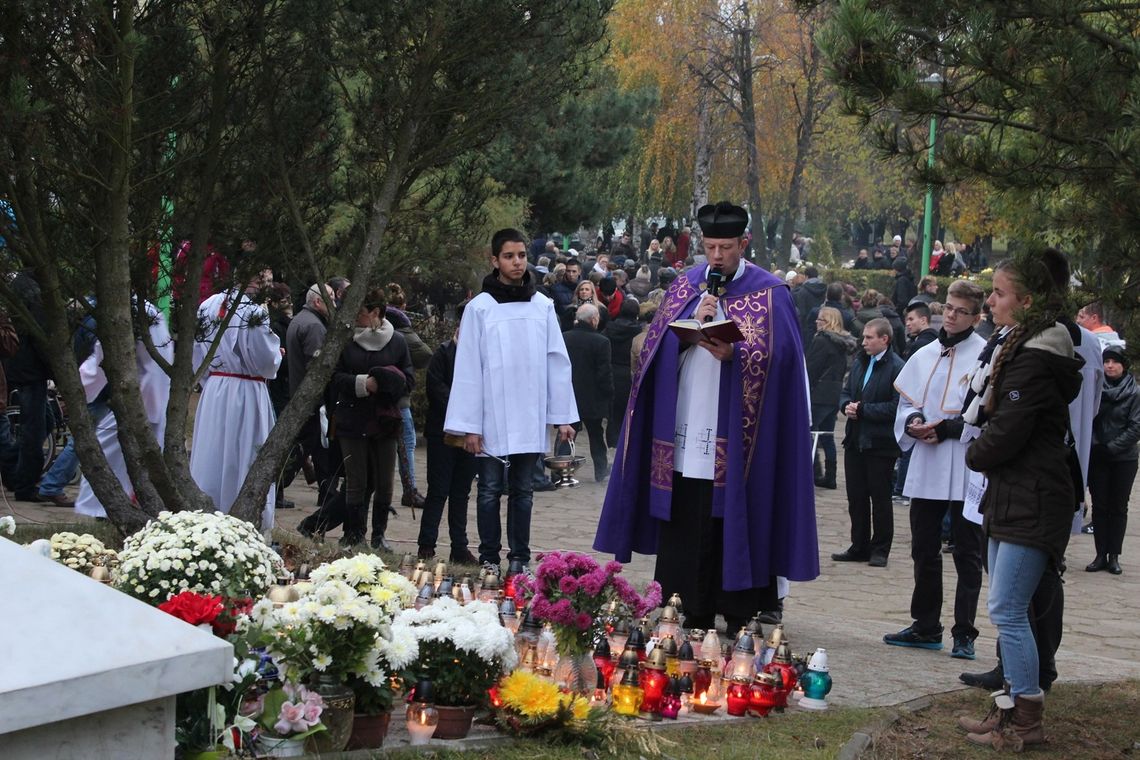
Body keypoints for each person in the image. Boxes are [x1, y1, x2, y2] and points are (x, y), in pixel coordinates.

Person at [594, 200, 819, 633]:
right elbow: (649, 350)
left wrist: (738, 354)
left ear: (744, 244)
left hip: (739, 432)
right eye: (711, 246)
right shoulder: (686, 287)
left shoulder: (771, 293)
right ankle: (684, 604)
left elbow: (786, 361)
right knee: (686, 516)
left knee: (730, 514)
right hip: (686, 423)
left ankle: (737, 609)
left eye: (726, 247)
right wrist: (685, 333)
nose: (716, 256)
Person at [958, 250, 1083, 750]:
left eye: (1000, 293)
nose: (990, 301)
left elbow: (1006, 433)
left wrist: (975, 451)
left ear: (1026, 301)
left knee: (1008, 609)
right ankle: (1009, 710)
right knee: (1010, 609)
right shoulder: (1017, 346)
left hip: (1034, 496)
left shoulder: (1034, 359)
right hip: (1013, 494)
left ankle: (1026, 723)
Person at [445, 228, 577, 572]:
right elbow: (468, 369)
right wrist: (468, 426)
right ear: (495, 261)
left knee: (523, 490)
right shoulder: (479, 309)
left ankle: (519, 558)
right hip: (490, 417)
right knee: (489, 490)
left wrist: (562, 417)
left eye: (521, 255)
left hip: (529, 415)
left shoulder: (542, 305)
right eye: (509, 256)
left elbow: (556, 361)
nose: (517, 262)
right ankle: (489, 557)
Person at [884, 280, 988, 657]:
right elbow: (906, 404)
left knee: (967, 552)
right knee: (923, 547)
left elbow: (987, 416)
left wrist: (947, 428)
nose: (952, 314)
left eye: (961, 310)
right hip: (927, 461)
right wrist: (913, 421)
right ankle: (926, 624)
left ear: (977, 316)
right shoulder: (925, 352)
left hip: (964, 462)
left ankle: (965, 632)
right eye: (948, 307)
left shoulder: (984, 355)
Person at [191, 269, 282, 530]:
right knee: (243, 454)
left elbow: (197, 352)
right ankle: (243, 519)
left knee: (213, 452)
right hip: (246, 392)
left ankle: (203, 516)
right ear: (256, 280)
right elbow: (265, 361)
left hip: (214, 388)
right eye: (267, 280)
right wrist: (278, 356)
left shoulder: (207, 305)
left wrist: (209, 379)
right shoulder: (253, 312)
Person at [328, 288, 413, 549]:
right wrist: (364, 384)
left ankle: (379, 535)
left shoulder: (397, 341)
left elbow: (409, 380)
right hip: (352, 418)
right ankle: (354, 534)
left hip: (385, 420)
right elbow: (334, 377)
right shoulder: (345, 339)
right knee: (356, 480)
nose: (354, 316)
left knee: (385, 482)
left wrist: (389, 383)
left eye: (360, 312)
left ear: (375, 313)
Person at [74, 301, 174, 518]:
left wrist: (79, 387)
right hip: (151, 390)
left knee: (109, 448)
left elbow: (104, 354)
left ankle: (98, 508)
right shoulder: (148, 310)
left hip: (139, 393)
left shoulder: (127, 309)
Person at [832, 318, 905, 567]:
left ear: (885, 339)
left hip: (880, 443)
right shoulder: (861, 362)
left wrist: (864, 410)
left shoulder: (897, 366)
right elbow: (845, 391)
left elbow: (897, 407)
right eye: (864, 337)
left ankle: (880, 548)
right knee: (856, 496)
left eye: (869, 337)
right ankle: (859, 545)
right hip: (855, 440)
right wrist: (846, 406)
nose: (864, 342)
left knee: (880, 498)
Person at [417, 304, 479, 563]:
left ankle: (459, 546)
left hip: (471, 434)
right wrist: (459, 410)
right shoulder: (444, 353)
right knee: (438, 489)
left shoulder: (479, 356)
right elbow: (436, 388)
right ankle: (427, 544)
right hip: (442, 431)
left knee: (461, 492)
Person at [1086, 345, 1140, 575]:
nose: (1110, 366)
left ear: (1123, 365)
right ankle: (1100, 554)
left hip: (1124, 458)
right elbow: (1089, 418)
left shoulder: (1135, 392)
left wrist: (1113, 447)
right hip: (1099, 456)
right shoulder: (1096, 388)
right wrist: (1098, 445)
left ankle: (1114, 555)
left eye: (1115, 361)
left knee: (1118, 506)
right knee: (1100, 506)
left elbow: (1136, 426)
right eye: (1106, 361)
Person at [288, 283, 338, 510]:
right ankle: (278, 484)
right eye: (330, 298)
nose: (334, 303)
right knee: (311, 447)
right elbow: (318, 368)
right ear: (318, 302)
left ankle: (326, 493)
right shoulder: (315, 327)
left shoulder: (299, 320)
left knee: (314, 448)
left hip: (300, 396)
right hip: (312, 400)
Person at [386, 283, 433, 510]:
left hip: (380, 394)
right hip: (399, 397)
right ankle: (410, 489)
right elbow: (425, 355)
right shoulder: (401, 330)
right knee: (407, 441)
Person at [561, 303, 613, 481]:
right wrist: (608, 393)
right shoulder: (601, 341)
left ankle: (559, 471)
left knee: (566, 434)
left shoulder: (564, 337)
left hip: (569, 394)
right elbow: (603, 372)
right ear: (593, 319)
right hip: (592, 397)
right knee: (596, 435)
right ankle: (600, 469)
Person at [807, 306, 856, 490]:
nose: (816, 322)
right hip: (834, 394)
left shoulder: (821, 341)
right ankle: (830, 476)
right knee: (827, 435)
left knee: (809, 432)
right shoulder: (843, 343)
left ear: (828, 321)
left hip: (818, 393)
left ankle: (814, 472)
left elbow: (812, 368)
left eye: (820, 319)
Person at [604, 298, 642, 449]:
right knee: (625, 410)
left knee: (612, 411)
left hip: (611, 370)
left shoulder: (609, 328)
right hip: (627, 373)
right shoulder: (637, 332)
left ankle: (612, 440)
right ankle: (622, 441)